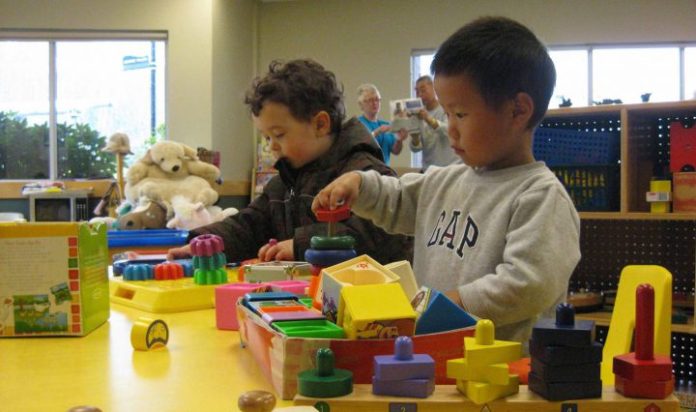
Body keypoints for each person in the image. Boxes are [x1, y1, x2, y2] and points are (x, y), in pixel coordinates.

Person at [312, 17, 581, 346]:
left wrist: (450, 302)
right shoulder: (445, 181)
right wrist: (358, 184)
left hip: (504, 377)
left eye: (461, 114)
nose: (450, 128)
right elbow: (397, 199)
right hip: (436, 360)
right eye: (448, 114)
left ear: (518, 110)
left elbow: (530, 283)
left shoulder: (540, 196)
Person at [167, 59, 412, 265]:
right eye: (267, 137)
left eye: (279, 135)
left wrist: (300, 245)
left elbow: (378, 234)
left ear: (320, 124)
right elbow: (250, 225)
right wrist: (203, 241)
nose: (272, 146)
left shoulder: (364, 173)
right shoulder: (285, 182)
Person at [402, 75, 462, 171]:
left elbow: (450, 132)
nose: (419, 94)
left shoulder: (447, 107)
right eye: (417, 91)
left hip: (451, 168)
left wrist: (428, 118)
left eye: (423, 90)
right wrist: (414, 137)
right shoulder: (417, 113)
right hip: (429, 170)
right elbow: (416, 149)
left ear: (434, 89)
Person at [356, 84, 405, 165]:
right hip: (367, 171)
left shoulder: (386, 125)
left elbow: (396, 151)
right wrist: (377, 132)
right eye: (370, 100)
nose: (375, 103)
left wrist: (400, 139)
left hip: (385, 172)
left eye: (377, 99)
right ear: (361, 105)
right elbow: (361, 146)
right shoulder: (358, 124)